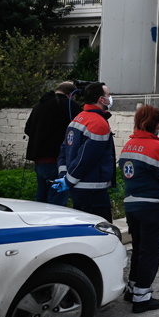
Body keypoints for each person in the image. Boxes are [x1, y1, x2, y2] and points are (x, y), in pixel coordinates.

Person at [119, 105, 159, 313]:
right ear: (155, 124)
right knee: (151, 252)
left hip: (131, 206)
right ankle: (142, 298)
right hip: (153, 208)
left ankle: (132, 289)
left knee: (138, 249)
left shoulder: (129, 145)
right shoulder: (158, 149)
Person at [54, 82, 117, 222]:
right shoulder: (98, 124)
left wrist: (64, 176)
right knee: (103, 233)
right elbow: (86, 159)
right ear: (101, 99)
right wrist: (69, 180)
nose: (110, 98)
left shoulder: (78, 118)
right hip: (93, 190)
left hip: (78, 189)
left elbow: (64, 151)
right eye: (108, 95)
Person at [24, 81, 82, 205]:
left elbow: (28, 129)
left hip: (38, 160)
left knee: (41, 200)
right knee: (56, 201)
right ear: (70, 94)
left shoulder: (38, 105)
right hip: (56, 160)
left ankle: (39, 223)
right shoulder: (68, 105)